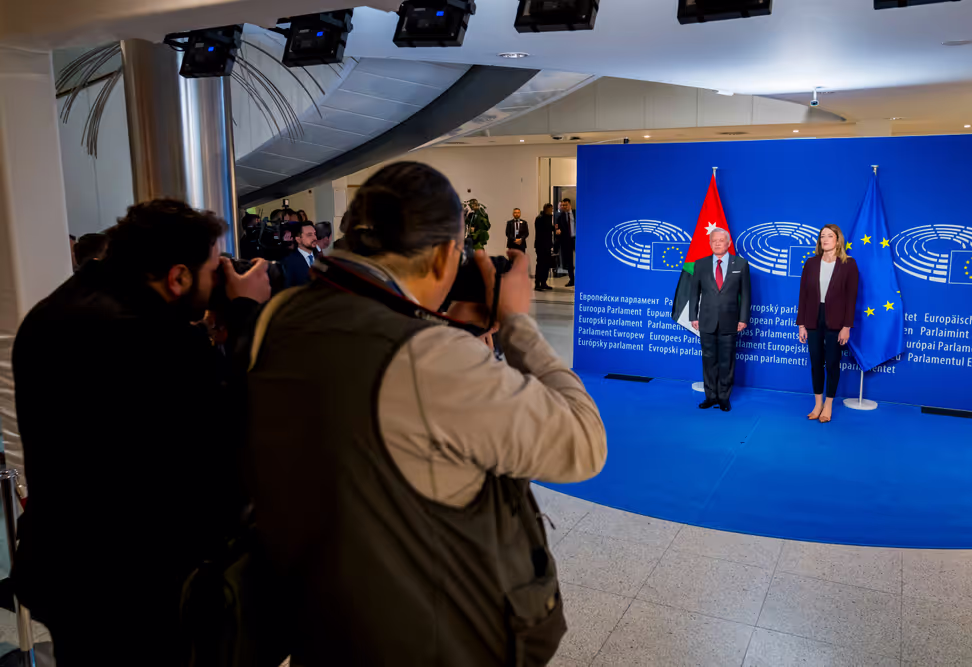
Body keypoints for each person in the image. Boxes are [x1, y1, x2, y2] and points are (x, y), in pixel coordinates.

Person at [246, 162, 606, 666]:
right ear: (443, 256)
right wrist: (517, 323)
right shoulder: (424, 358)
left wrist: (440, 327)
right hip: (427, 639)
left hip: (323, 623)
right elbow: (584, 446)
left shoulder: (278, 318)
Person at [11, 199, 271, 667]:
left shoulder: (52, 313)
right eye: (214, 269)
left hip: (65, 569)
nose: (220, 279)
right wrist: (247, 312)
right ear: (177, 277)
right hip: (145, 588)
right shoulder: (156, 341)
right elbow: (230, 441)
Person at [797, 224, 859, 423]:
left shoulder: (849, 264)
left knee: (832, 363)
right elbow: (803, 295)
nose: (824, 239)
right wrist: (801, 324)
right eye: (822, 236)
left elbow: (851, 298)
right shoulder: (811, 263)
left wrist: (846, 326)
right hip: (813, 318)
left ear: (838, 239)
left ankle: (829, 405)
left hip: (837, 321)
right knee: (816, 363)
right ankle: (817, 404)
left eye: (829, 236)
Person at [690, 228, 751, 412]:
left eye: (721, 240)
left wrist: (743, 318)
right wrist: (693, 316)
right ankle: (710, 396)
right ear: (710, 244)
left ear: (728, 243)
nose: (717, 243)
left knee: (727, 361)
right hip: (706, 321)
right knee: (708, 360)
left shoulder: (740, 264)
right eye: (713, 240)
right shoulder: (700, 264)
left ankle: (724, 397)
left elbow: (746, 294)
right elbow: (694, 293)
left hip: (730, 321)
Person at [280, 221, 319, 288]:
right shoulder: (289, 262)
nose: (314, 238)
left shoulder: (320, 257)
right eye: (309, 235)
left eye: (315, 234)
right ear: (298, 239)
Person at [554, 198, 576, 287]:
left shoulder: (576, 213)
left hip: (577, 239)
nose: (564, 207)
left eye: (565, 205)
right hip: (567, 241)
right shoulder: (560, 217)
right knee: (569, 261)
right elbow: (558, 229)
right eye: (562, 205)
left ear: (569, 205)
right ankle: (572, 279)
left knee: (582, 259)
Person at [534, 203, 555, 291]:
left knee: (546, 265)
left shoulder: (548, 218)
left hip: (547, 245)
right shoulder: (540, 218)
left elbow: (549, 228)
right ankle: (537, 283)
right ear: (547, 209)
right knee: (540, 265)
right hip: (540, 246)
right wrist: (553, 228)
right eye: (551, 209)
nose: (552, 211)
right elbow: (544, 230)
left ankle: (544, 282)